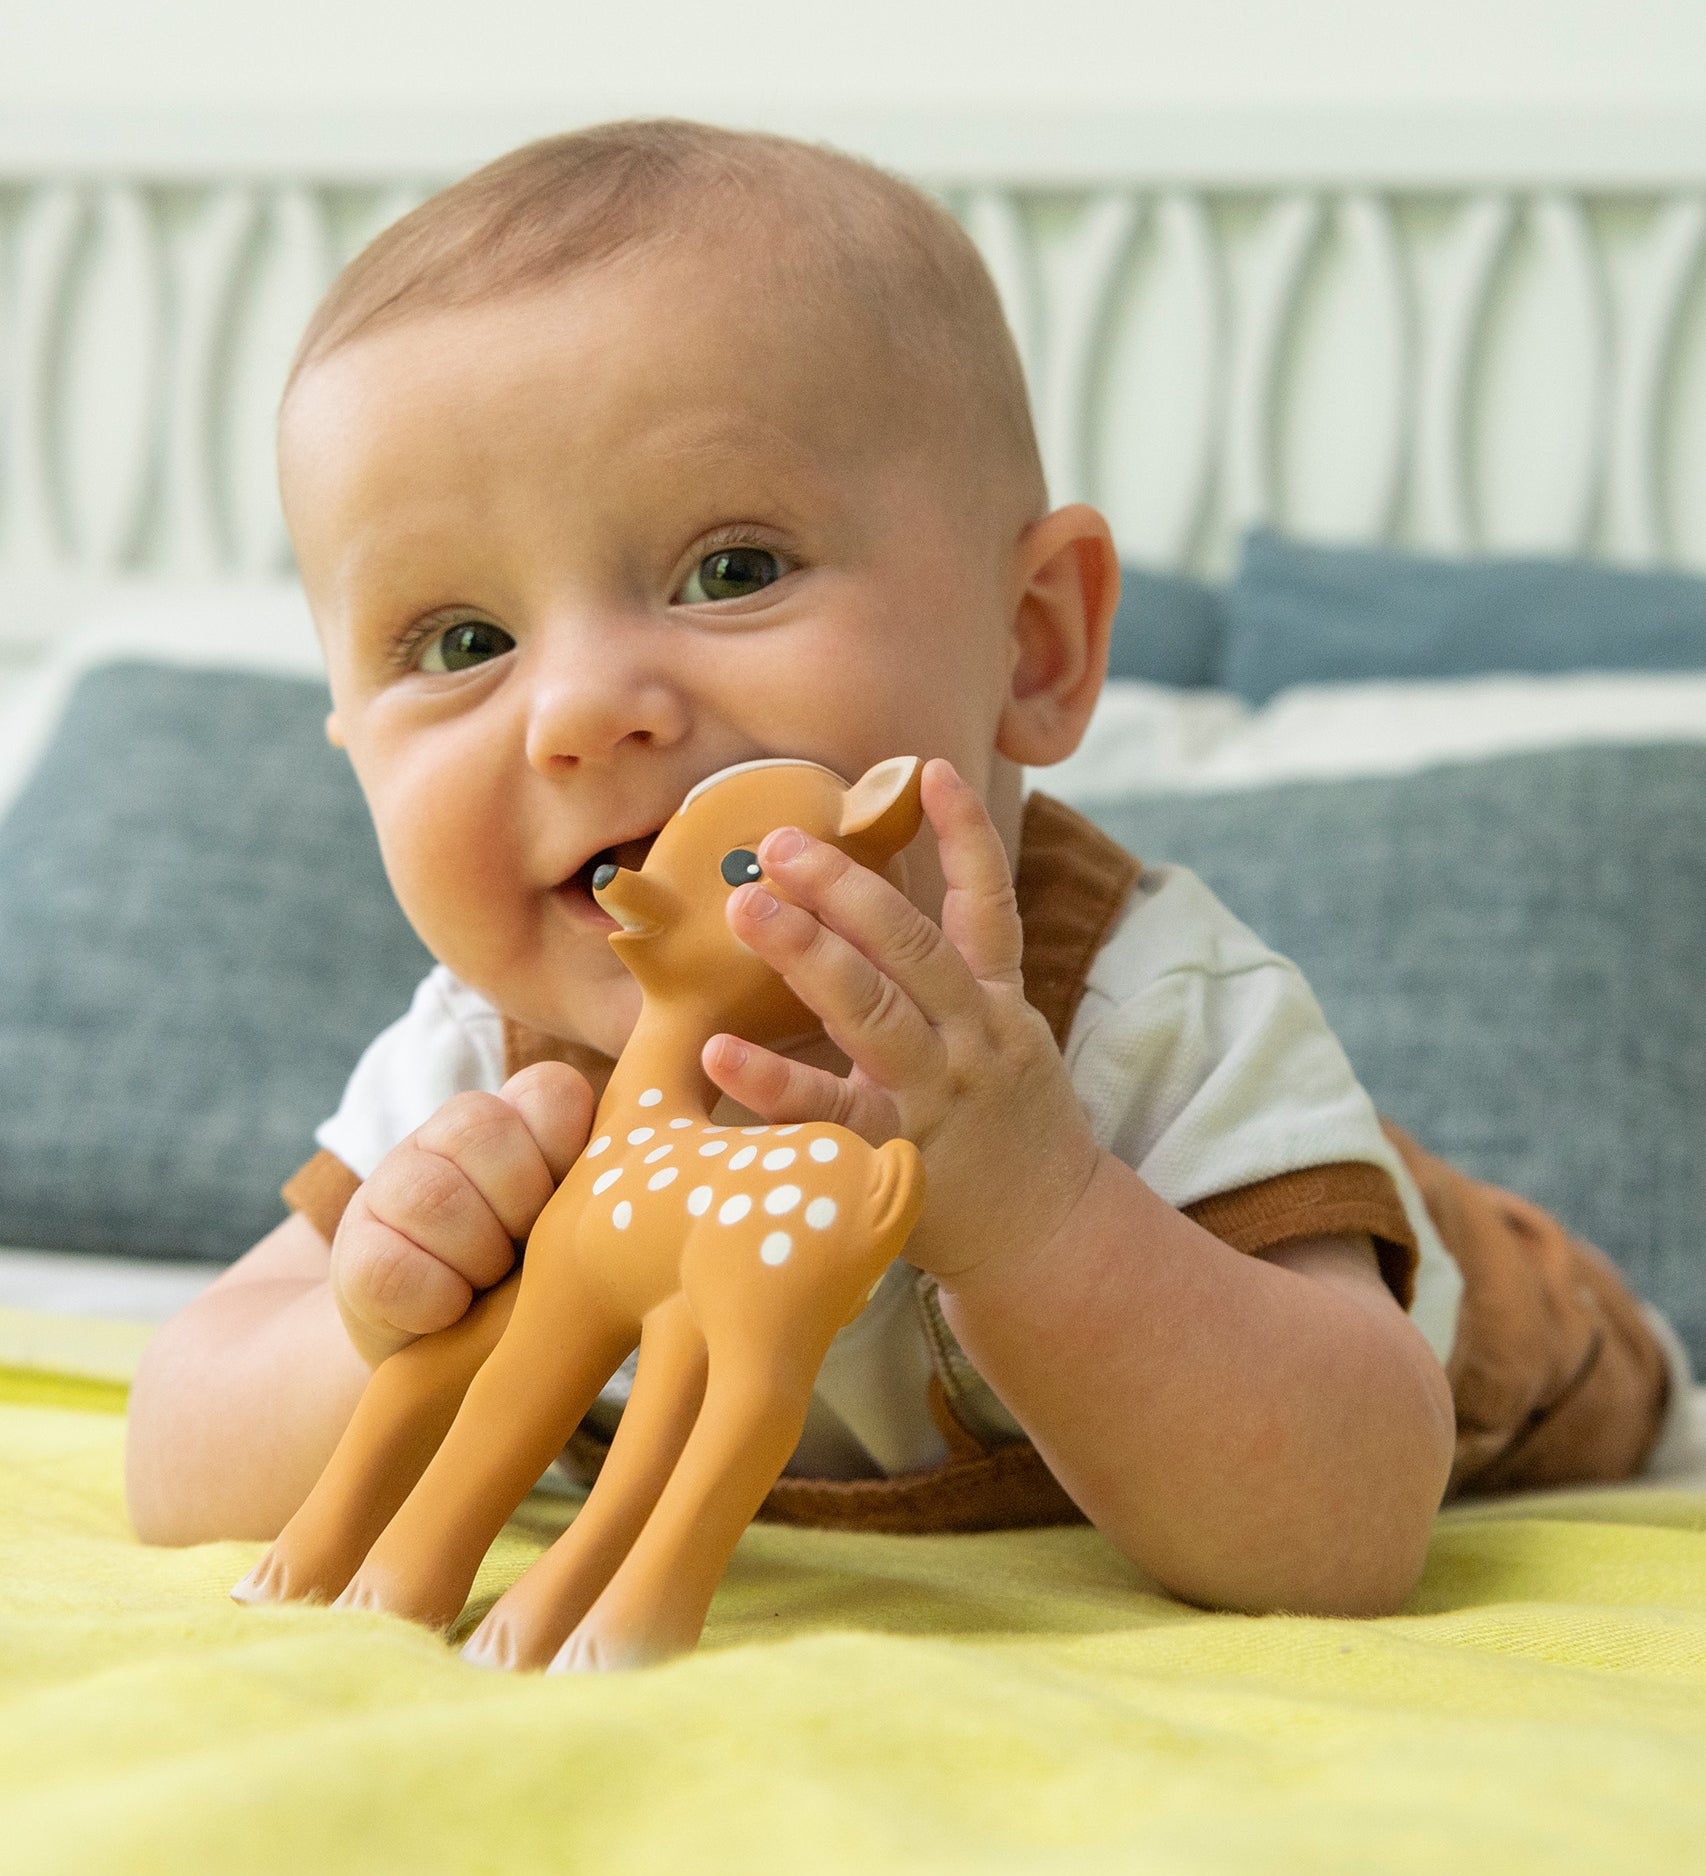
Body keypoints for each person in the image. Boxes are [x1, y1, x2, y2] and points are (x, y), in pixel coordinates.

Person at [123, 120, 1679, 1621]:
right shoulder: (480, 1068)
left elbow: (1341, 1533)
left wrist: (1040, 1216)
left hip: (1513, 1363)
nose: (585, 710)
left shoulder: (1143, 1015)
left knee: (1500, 1304)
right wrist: (377, 1320)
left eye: (729, 570)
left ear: (1035, 644)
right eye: (463, 644)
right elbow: (173, 1458)